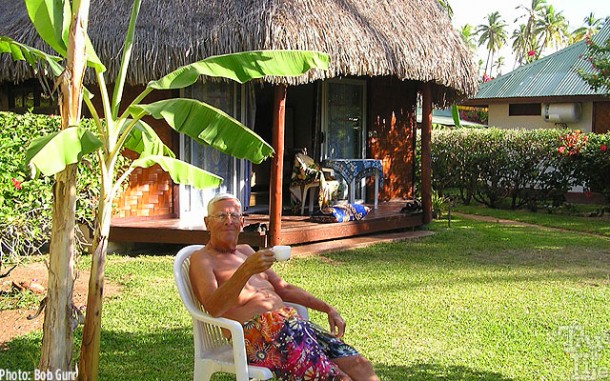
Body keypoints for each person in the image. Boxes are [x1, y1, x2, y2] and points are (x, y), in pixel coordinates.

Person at [189, 193, 379, 381]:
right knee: (335, 377)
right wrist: (245, 270)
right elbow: (214, 307)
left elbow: (284, 288)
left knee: (359, 364)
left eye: (234, 216)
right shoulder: (202, 259)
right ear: (207, 223)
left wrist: (328, 309)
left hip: (291, 323)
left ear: (242, 222)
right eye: (221, 216)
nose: (228, 221)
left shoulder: (246, 251)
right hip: (257, 334)